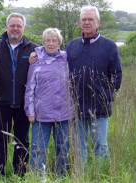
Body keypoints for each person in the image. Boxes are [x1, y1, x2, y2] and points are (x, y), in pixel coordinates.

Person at [0, 13, 38, 176]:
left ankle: (20, 173)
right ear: (6, 27)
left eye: (19, 26)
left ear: (23, 28)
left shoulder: (33, 48)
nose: (15, 29)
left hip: (23, 103)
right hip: (1, 101)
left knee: (22, 141)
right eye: (12, 25)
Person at [66, 6, 122, 163]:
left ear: (98, 22)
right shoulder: (71, 46)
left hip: (100, 106)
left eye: (90, 19)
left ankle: (101, 175)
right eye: (83, 19)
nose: (86, 22)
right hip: (76, 105)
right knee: (79, 146)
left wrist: (106, 96)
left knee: (100, 145)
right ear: (79, 22)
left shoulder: (110, 46)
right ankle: (81, 176)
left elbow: (116, 75)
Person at [24, 28, 74, 177]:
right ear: (44, 42)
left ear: (59, 42)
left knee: (63, 148)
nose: (51, 43)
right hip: (41, 114)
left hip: (64, 113)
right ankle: (37, 177)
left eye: (54, 40)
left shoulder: (67, 59)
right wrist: (30, 110)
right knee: (38, 148)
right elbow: (29, 88)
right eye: (48, 40)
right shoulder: (36, 59)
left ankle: (61, 177)